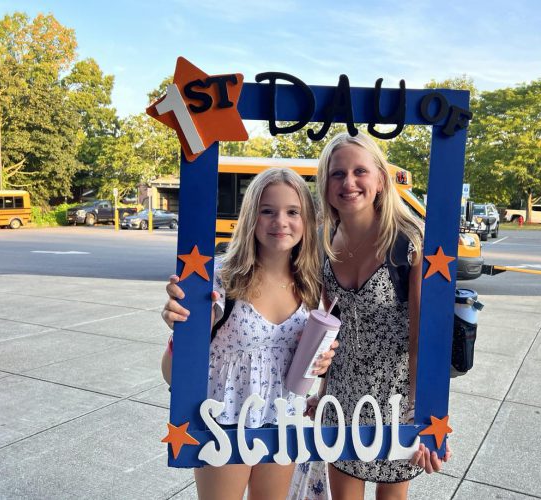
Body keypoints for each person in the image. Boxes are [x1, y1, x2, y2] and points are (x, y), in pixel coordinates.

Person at [161, 168, 337, 500]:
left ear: (307, 219)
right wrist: (180, 336)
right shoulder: (217, 279)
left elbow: (308, 369)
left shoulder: (314, 287)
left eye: (292, 212)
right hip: (224, 420)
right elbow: (170, 374)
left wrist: (321, 361)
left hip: (283, 420)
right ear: (250, 217)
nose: (280, 221)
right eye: (267, 211)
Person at [308, 131, 450, 500]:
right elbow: (332, 329)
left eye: (360, 171)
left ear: (381, 179)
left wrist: (426, 419)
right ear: (325, 183)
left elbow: (423, 341)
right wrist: (320, 392)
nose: (349, 182)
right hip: (341, 398)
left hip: (397, 400)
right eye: (337, 174)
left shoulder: (410, 243)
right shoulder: (323, 240)